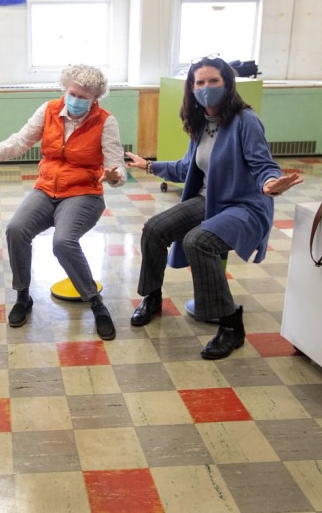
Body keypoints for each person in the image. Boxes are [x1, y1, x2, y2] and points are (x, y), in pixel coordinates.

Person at [125, 56, 302, 359]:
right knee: (154, 229)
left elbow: (264, 165)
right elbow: (185, 168)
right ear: (192, 89)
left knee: (199, 242)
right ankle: (152, 298)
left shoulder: (245, 121)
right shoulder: (202, 124)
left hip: (244, 206)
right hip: (209, 200)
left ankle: (231, 326)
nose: (206, 88)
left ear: (227, 84)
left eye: (213, 81)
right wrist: (149, 166)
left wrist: (271, 183)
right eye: (200, 82)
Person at [0, 65, 126, 340]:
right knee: (16, 230)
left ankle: (96, 303)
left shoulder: (105, 121)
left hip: (83, 192)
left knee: (63, 242)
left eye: (84, 97)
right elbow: (22, 139)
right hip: (46, 188)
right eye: (73, 93)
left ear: (96, 99)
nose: (76, 100)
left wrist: (114, 176)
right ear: (65, 88)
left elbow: (116, 164)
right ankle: (23, 296)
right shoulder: (48, 110)